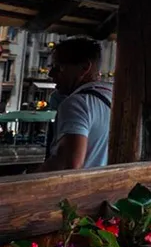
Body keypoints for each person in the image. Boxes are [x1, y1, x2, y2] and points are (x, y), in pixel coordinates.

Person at [38, 37, 112, 171]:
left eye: (58, 67)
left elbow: (69, 164)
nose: (51, 74)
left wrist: (27, 176)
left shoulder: (76, 103)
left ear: (84, 68)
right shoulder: (114, 95)